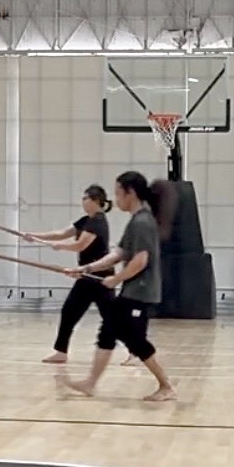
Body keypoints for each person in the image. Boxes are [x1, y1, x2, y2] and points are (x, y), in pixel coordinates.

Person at [61, 171, 175, 403]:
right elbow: (120, 253)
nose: (116, 198)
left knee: (135, 340)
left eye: (117, 193)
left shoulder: (143, 222)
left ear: (129, 192)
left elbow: (140, 260)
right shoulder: (136, 220)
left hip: (140, 291)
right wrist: (87, 269)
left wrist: (115, 279)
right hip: (133, 290)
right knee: (108, 330)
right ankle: (90, 383)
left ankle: (166, 386)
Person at [24, 185, 116, 364]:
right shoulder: (85, 220)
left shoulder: (97, 221)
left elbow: (81, 245)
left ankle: (134, 350)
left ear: (96, 200)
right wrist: (34, 237)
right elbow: (61, 233)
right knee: (69, 312)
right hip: (85, 277)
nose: (83, 201)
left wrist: (60, 247)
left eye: (85, 198)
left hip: (99, 277)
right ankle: (61, 352)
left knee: (112, 317)